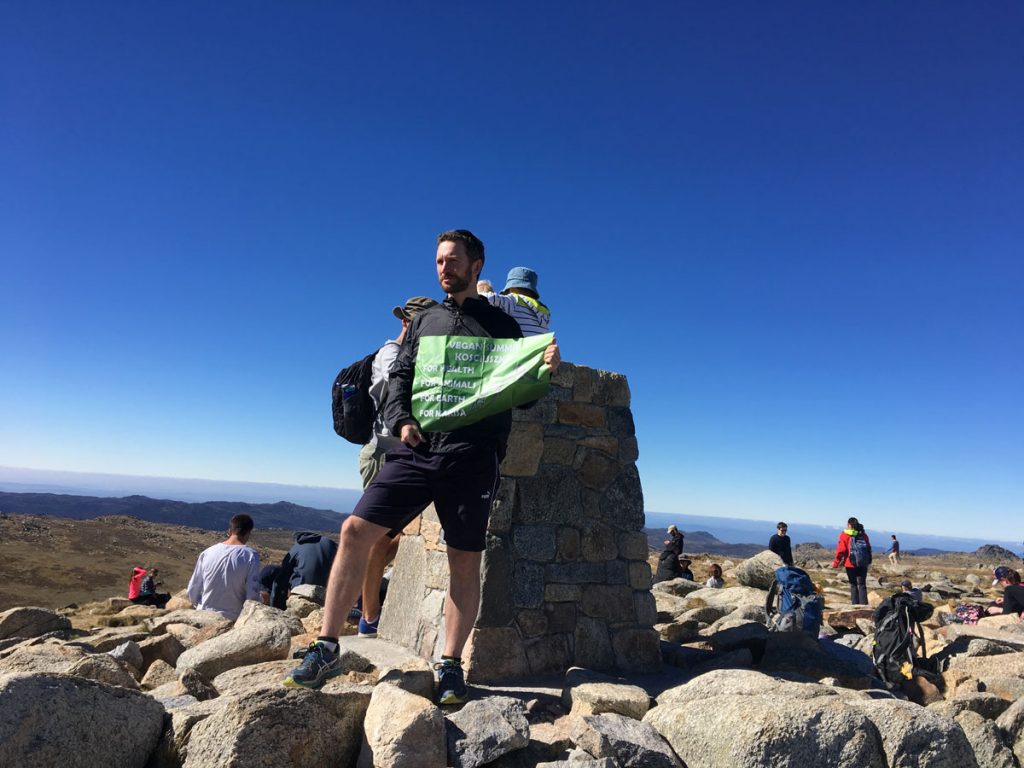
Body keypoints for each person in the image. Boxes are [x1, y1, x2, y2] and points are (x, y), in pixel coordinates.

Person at [284, 229, 560, 704]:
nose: (443, 268)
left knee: (464, 560)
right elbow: (400, 377)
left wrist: (543, 370)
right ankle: (327, 646)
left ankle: (450, 665)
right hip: (418, 449)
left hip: (474, 455)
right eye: (438, 261)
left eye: (453, 260)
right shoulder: (426, 319)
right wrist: (400, 419)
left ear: (477, 266)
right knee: (354, 531)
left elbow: (526, 396)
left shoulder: (502, 325)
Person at [355, 295, 438, 638]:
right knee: (375, 537)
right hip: (385, 453)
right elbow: (397, 396)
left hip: (407, 454)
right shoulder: (390, 354)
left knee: (401, 534)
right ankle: (369, 616)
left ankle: (375, 605)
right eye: (412, 321)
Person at [187, 514, 261, 620]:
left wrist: (198, 605)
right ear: (248, 532)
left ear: (230, 531)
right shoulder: (251, 556)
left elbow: (192, 589)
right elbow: (252, 595)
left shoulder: (207, 553)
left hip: (204, 614)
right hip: (233, 617)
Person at [476, 267, 551, 337]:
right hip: (539, 348)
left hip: (520, 347)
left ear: (511, 288)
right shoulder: (543, 310)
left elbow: (488, 297)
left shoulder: (514, 300)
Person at [831, 516, 871, 606]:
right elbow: (868, 548)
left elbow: (841, 550)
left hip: (850, 564)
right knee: (862, 584)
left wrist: (836, 562)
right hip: (863, 564)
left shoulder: (844, 535)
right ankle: (864, 607)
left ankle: (855, 606)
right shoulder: (863, 535)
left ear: (849, 525)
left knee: (853, 585)